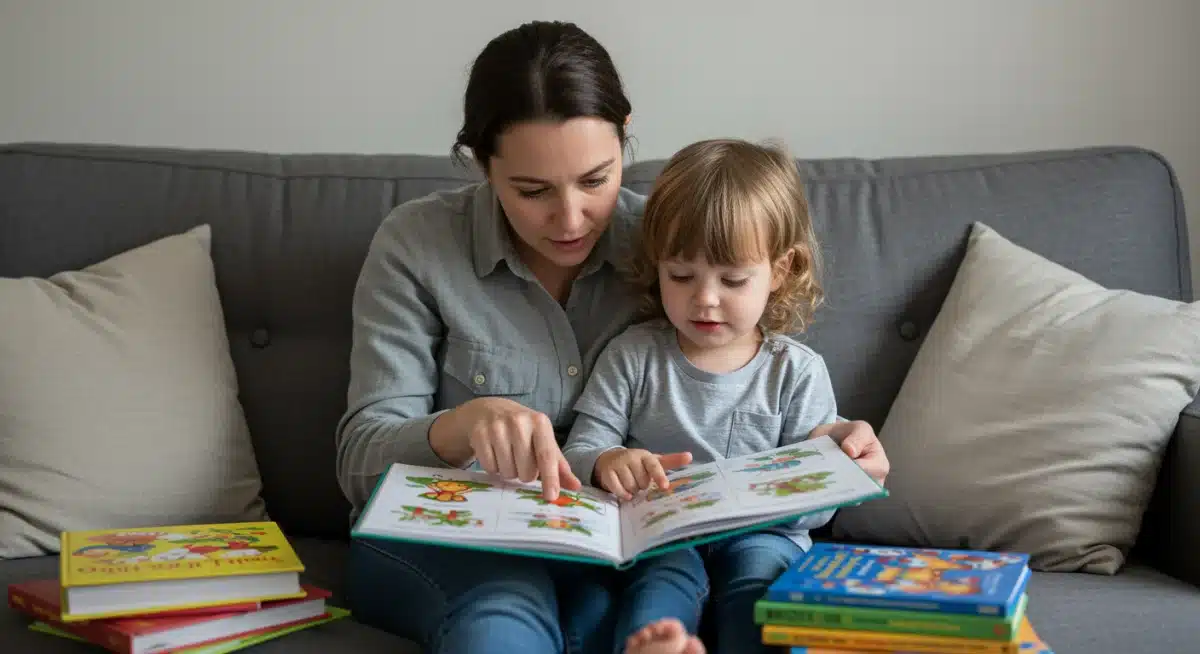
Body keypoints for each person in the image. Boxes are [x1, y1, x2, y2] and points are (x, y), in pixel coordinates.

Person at [336, 19, 890, 654]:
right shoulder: (416, 244)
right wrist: (460, 426)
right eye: (532, 190)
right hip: (461, 539)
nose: (571, 219)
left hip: (613, 546)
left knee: (617, 615)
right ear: (481, 164)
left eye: (596, 179)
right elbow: (358, 461)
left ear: (626, 136)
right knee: (502, 614)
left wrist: (832, 450)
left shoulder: (672, 244)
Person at [561, 138, 842, 654]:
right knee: (660, 580)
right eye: (681, 275)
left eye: (733, 279)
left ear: (780, 270)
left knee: (759, 582)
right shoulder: (633, 355)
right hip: (663, 531)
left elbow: (818, 511)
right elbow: (580, 451)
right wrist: (608, 461)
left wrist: (814, 480)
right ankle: (654, 645)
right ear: (657, 266)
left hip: (764, 536)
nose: (705, 298)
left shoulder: (796, 371)